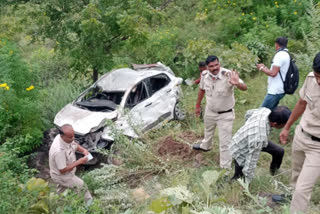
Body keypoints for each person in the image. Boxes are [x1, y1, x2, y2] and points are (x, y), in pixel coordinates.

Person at [278, 52, 320, 213]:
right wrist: (287, 127)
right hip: (301, 135)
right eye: (317, 75)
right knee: (296, 172)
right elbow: (302, 103)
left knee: (303, 189)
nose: (319, 81)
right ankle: (289, 195)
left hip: (318, 147)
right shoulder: (310, 79)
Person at [192, 55, 247, 169]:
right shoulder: (204, 75)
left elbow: (244, 87)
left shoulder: (228, 75)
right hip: (210, 111)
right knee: (208, 130)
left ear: (219, 64)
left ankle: (225, 169)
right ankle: (205, 146)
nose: (215, 68)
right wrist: (197, 105)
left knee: (225, 144)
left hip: (225, 114)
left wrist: (237, 83)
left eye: (216, 65)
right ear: (207, 67)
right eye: (211, 66)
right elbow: (202, 89)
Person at [229, 106, 291, 184]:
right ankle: (235, 182)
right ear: (275, 124)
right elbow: (252, 161)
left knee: (279, 151)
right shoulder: (259, 137)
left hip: (254, 138)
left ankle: (274, 172)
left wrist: (250, 128)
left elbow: (248, 113)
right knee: (239, 176)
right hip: (239, 147)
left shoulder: (265, 111)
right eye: (284, 124)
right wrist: (247, 182)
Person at [49, 124, 93, 205]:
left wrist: (83, 150)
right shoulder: (59, 151)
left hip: (60, 174)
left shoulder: (64, 138)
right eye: (70, 137)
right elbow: (62, 170)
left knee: (61, 191)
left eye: (73, 135)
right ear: (62, 136)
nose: (73, 138)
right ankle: (90, 206)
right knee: (82, 187)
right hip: (62, 176)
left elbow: (73, 144)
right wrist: (79, 162)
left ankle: (58, 206)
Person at [256, 37, 290, 110]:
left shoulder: (280, 55)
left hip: (275, 91)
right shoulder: (286, 54)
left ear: (276, 44)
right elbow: (276, 71)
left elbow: (273, 73)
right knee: (272, 114)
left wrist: (261, 68)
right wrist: (265, 67)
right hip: (280, 89)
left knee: (261, 113)